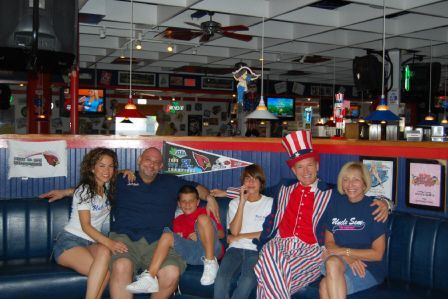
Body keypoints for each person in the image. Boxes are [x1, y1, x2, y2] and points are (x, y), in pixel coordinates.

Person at [216, 130, 390, 298]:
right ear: (293, 170)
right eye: (300, 167)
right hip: (279, 244)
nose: (305, 171)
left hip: (310, 250)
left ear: (317, 166)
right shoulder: (284, 187)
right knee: (269, 253)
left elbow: (357, 194)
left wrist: (386, 202)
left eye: (310, 166)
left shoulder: (330, 192)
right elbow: (256, 189)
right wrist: (226, 192)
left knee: (266, 272)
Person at [40, 147, 216, 299]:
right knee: (120, 266)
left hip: (159, 242)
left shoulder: (170, 181)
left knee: (171, 273)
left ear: (161, 166)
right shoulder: (123, 180)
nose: (151, 164)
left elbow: (196, 188)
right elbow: (93, 186)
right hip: (124, 238)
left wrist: (209, 197)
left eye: (156, 162)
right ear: (139, 160)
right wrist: (65, 192)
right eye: (148, 159)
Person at [51, 147, 128, 299]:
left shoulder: (105, 187)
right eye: (101, 165)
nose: (107, 170)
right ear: (92, 168)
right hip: (69, 243)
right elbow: (86, 226)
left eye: (110, 166)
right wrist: (110, 243)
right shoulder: (85, 190)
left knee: (105, 262)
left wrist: (126, 171)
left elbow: (110, 175)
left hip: (90, 244)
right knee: (104, 269)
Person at [126, 185, 224, 294]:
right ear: (179, 204)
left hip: (212, 250)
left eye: (191, 201)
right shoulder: (177, 220)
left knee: (202, 219)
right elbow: (179, 241)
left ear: (197, 202)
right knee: (167, 234)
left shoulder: (206, 212)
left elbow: (221, 234)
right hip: (193, 253)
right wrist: (185, 238)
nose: (187, 204)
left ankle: (211, 262)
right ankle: (150, 277)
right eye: (184, 201)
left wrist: (199, 234)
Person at [319, 162, 387, 298]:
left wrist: (346, 252)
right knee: (332, 263)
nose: (350, 185)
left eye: (356, 179)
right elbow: (329, 243)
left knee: (325, 284)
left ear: (364, 183)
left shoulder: (375, 209)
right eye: (346, 179)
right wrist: (346, 257)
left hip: (366, 267)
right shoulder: (334, 206)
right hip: (338, 259)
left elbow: (378, 254)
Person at [213, 164, 273, 299]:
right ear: (243, 183)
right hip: (234, 249)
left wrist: (240, 236)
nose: (251, 182)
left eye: (255, 179)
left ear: (261, 182)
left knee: (247, 281)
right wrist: (242, 202)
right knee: (221, 279)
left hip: (256, 250)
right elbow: (233, 232)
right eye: (247, 179)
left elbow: (266, 234)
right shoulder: (234, 203)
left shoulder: (269, 203)